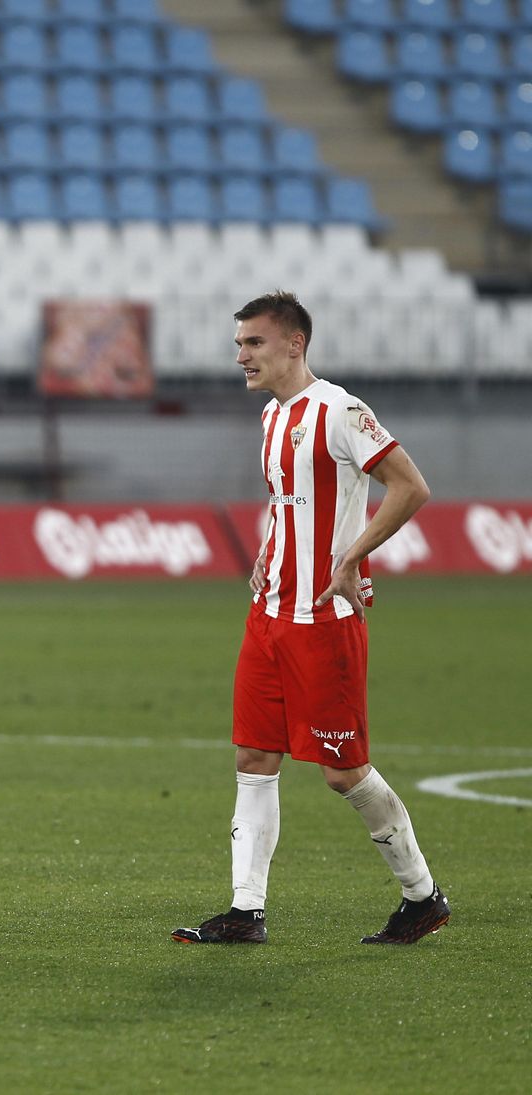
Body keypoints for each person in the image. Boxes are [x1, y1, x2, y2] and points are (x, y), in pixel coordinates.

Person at [172, 291, 449, 947]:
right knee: (253, 754)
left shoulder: (340, 409)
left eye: (254, 343)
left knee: (342, 770)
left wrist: (353, 553)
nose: (241, 354)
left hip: (323, 619)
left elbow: (411, 486)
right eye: (239, 343)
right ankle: (246, 910)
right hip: (267, 615)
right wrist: (268, 557)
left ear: (294, 343)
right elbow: (288, 504)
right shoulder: (272, 417)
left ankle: (422, 895)